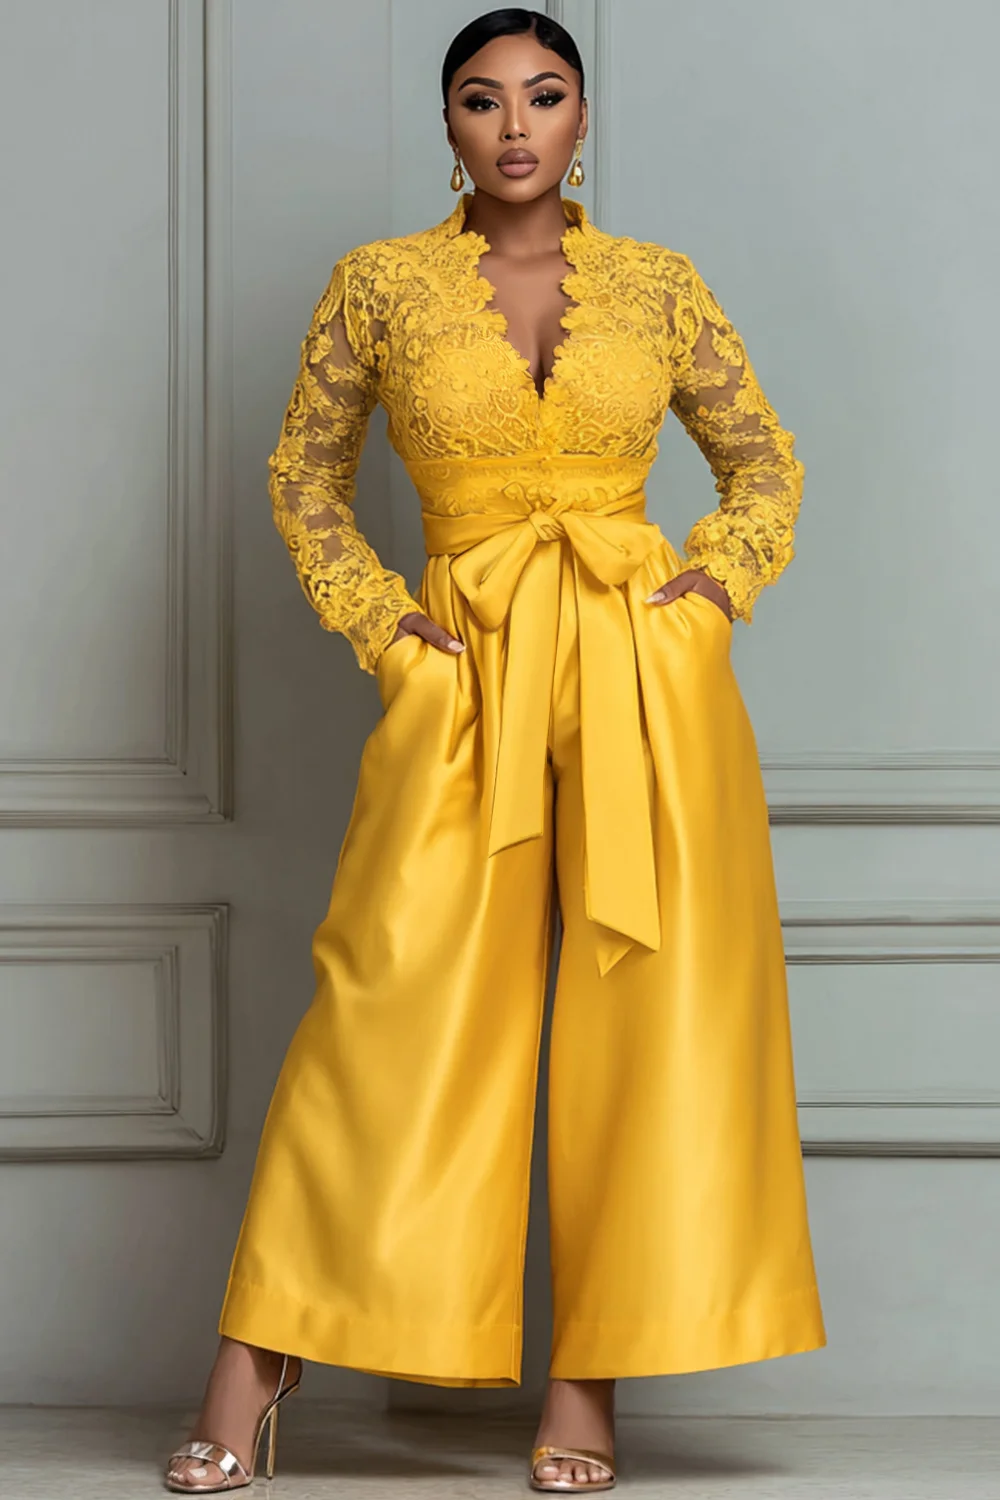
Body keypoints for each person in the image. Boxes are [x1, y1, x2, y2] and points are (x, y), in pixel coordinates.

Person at [164, 8, 826, 1494]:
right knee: (387, 1003)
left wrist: (708, 598)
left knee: (643, 1020)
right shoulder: (381, 285)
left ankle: (588, 1384)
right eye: (482, 98)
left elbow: (764, 466)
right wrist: (389, 631)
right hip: (463, 677)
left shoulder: (660, 286)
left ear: (583, 119)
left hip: (643, 677)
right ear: (448, 123)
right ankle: (258, 1363)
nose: (515, 124)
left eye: (544, 94)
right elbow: (305, 478)